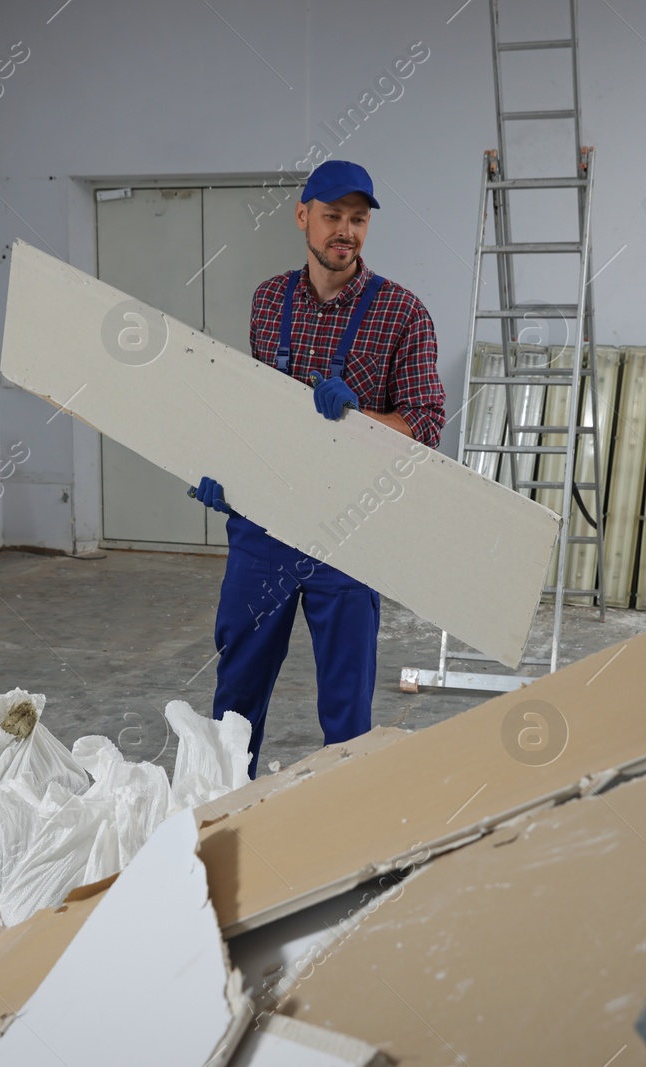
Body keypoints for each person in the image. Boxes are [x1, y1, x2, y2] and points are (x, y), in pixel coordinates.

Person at [190, 159, 445, 777]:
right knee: (238, 695)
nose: (346, 232)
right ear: (303, 215)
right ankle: (228, 811)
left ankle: (341, 822)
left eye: (358, 220)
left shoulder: (402, 313)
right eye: (333, 216)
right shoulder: (269, 301)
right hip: (265, 529)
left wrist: (361, 420)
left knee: (346, 707)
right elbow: (255, 414)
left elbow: (427, 425)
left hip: (349, 533)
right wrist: (228, 476)